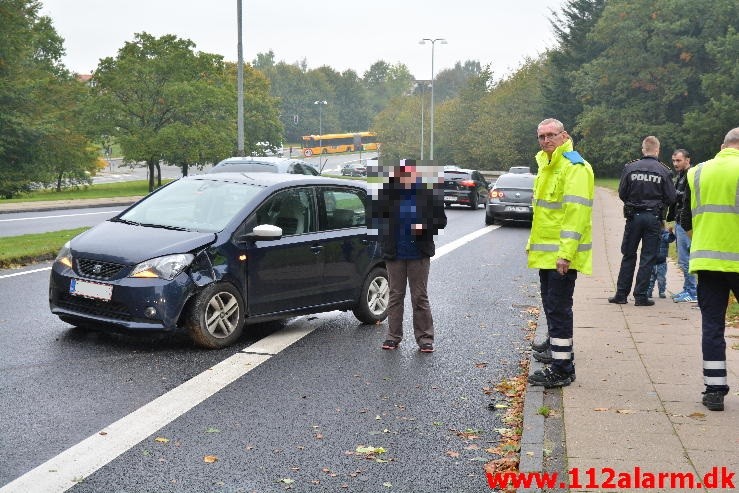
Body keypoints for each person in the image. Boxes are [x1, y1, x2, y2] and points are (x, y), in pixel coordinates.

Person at [526, 118, 594, 388]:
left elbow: (575, 215)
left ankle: (563, 369)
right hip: (547, 254)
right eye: (541, 137)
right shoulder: (547, 165)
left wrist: (565, 254)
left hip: (561, 256)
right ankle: (557, 353)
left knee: (559, 309)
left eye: (551, 135)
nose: (546, 141)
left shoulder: (574, 167)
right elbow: (543, 214)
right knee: (552, 308)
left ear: (564, 135)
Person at [679, 127, 739, 412]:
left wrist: (702, 240)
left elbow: (683, 218)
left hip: (707, 261)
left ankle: (714, 390)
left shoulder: (698, 172)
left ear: (722, 145)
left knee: (712, 325)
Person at [370, 159, 447, 353]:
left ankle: (425, 339)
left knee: (419, 296)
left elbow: (441, 221)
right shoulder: (387, 194)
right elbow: (377, 220)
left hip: (419, 253)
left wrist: (425, 227)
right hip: (394, 253)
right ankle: (393, 337)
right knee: (395, 296)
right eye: (402, 173)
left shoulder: (427, 194)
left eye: (409, 173)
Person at [608, 136, 677, 306]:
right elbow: (671, 197)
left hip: (633, 217)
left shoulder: (630, 168)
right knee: (648, 257)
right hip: (653, 218)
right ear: (657, 150)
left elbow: (622, 192)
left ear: (643, 149)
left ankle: (621, 295)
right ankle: (640, 296)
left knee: (628, 255)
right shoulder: (664, 170)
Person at [666, 149, 698, 303]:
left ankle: (692, 292)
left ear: (687, 160)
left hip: (687, 224)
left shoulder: (691, 176)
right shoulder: (680, 176)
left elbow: (688, 200)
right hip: (679, 222)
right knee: (683, 258)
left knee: (686, 260)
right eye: (673, 161)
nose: (675, 164)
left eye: (678, 160)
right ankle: (687, 289)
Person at [647, 224, 675, 299]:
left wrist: (671, 234)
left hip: (661, 262)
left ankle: (661, 291)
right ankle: (648, 292)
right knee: (650, 279)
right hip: (651, 262)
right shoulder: (650, 234)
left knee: (661, 279)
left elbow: (670, 239)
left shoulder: (664, 235)